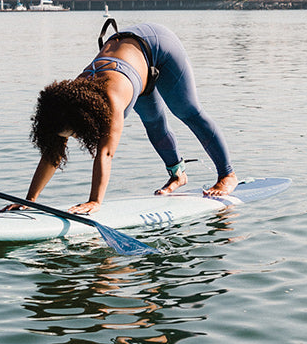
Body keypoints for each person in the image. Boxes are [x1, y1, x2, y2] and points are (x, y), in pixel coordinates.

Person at [12, 21, 237, 215]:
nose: (74, 137)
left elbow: (106, 152)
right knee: (154, 123)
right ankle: (178, 175)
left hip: (159, 47)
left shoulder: (111, 100)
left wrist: (94, 201)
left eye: (72, 133)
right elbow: (53, 154)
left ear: (83, 120)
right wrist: (30, 199)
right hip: (131, 66)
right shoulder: (65, 106)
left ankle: (227, 174)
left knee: (186, 111)